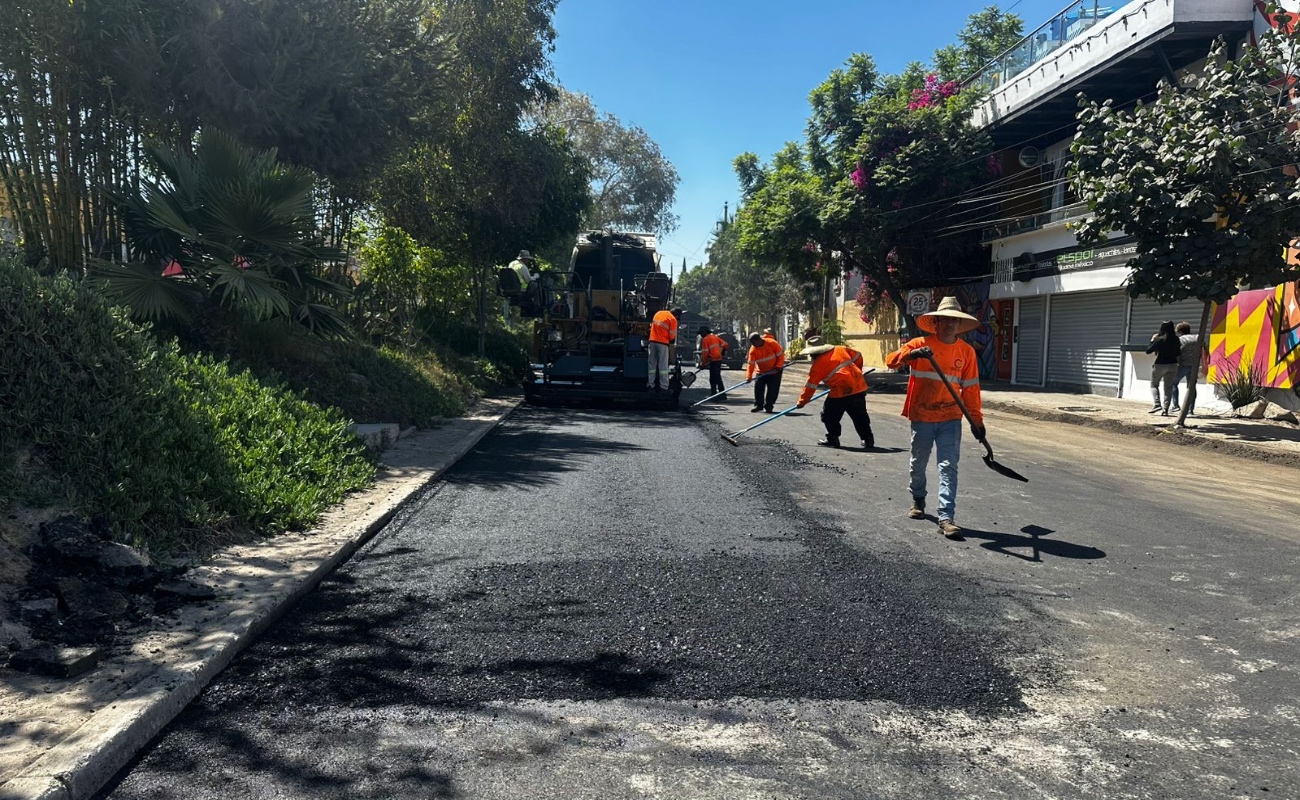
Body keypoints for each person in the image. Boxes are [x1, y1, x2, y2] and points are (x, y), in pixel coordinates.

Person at [884, 296, 984, 540]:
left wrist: (977, 421)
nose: (950, 325)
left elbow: (971, 389)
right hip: (923, 415)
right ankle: (918, 498)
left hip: (951, 417)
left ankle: (946, 517)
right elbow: (890, 361)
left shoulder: (966, 352)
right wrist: (912, 354)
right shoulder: (919, 344)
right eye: (945, 320)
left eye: (954, 322)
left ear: (959, 326)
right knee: (918, 462)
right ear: (936, 323)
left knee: (948, 467)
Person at [797, 336, 874, 449]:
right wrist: (856, 371)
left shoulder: (818, 365)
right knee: (860, 415)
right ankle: (868, 440)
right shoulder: (840, 349)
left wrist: (802, 402)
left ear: (814, 353)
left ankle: (833, 438)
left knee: (829, 416)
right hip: (858, 386)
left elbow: (810, 385)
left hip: (841, 390)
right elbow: (858, 355)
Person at [1145, 320, 1180, 415]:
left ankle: (1157, 404)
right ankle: (1165, 409)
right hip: (1173, 364)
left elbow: (1148, 350)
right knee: (1168, 387)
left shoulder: (1159, 339)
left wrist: (1152, 340)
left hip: (1160, 364)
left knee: (1154, 384)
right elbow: (1178, 353)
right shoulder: (1176, 339)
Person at [745, 331, 785, 413]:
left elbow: (781, 356)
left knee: (772, 390)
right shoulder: (753, 350)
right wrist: (748, 376)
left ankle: (769, 406)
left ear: (759, 340)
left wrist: (778, 366)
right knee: (758, 388)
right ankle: (759, 405)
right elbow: (751, 364)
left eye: (753, 342)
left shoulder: (772, 343)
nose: (753, 344)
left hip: (774, 371)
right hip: (761, 372)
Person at [647, 306, 682, 391]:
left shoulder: (658, 313)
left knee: (652, 364)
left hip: (652, 341)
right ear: (676, 315)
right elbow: (672, 335)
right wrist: (672, 341)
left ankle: (650, 384)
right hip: (662, 343)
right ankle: (664, 386)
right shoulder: (672, 319)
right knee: (663, 366)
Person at [1171, 320, 1200, 416]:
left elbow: (1177, 352)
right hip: (1195, 365)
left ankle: (1175, 405)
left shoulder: (1180, 340)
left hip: (1182, 365)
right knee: (1191, 387)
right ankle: (1190, 409)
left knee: (1173, 383)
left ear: (1180, 331)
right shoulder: (1197, 337)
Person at [698, 327, 729, 399]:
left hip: (713, 360)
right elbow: (726, 345)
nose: (701, 335)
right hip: (718, 360)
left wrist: (703, 364)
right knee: (717, 377)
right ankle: (720, 394)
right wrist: (722, 351)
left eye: (701, 333)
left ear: (705, 332)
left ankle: (715, 394)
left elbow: (705, 353)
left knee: (713, 378)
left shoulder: (705, 339)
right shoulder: (715, 337)